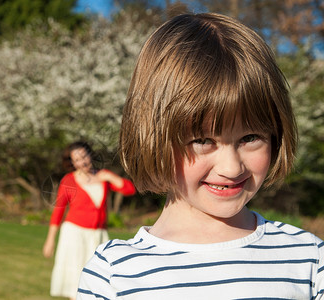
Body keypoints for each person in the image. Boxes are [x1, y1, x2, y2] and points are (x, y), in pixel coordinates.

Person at [77, 13, 324, 299]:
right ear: (154, 138)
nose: (231, 168)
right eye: (203, 140)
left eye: (250, 138)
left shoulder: (309, 261)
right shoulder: (113, 274)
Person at [43, 141, 135, 300]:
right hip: (75, 234)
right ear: (72, 163)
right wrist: (50, 240)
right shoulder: (69, 180)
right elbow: (58, 212)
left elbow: (129, 189)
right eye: (77, 159)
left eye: (84, 156)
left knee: (98, 279)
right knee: (76, 282)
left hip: (98, 236)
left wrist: (109, 176)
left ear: (90, 155)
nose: (83, 162)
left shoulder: (102, 176)